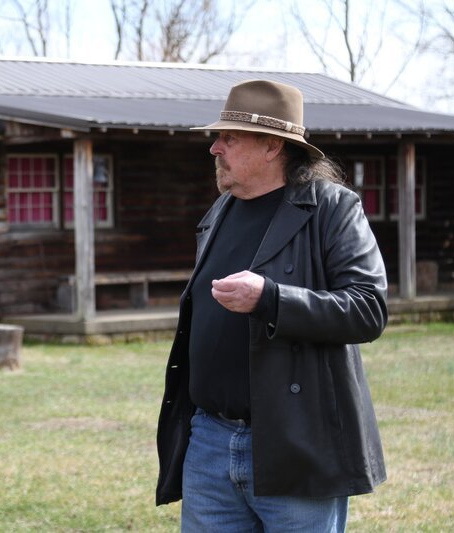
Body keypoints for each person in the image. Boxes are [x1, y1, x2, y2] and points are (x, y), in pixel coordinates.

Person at [155, 79, 388, 531]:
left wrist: (271, 298)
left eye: (229, 137)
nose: (214, 148)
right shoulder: (221, 211)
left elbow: (368, 308)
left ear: (271, 146)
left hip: (296, 442)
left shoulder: (332, 209)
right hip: (208, 440)